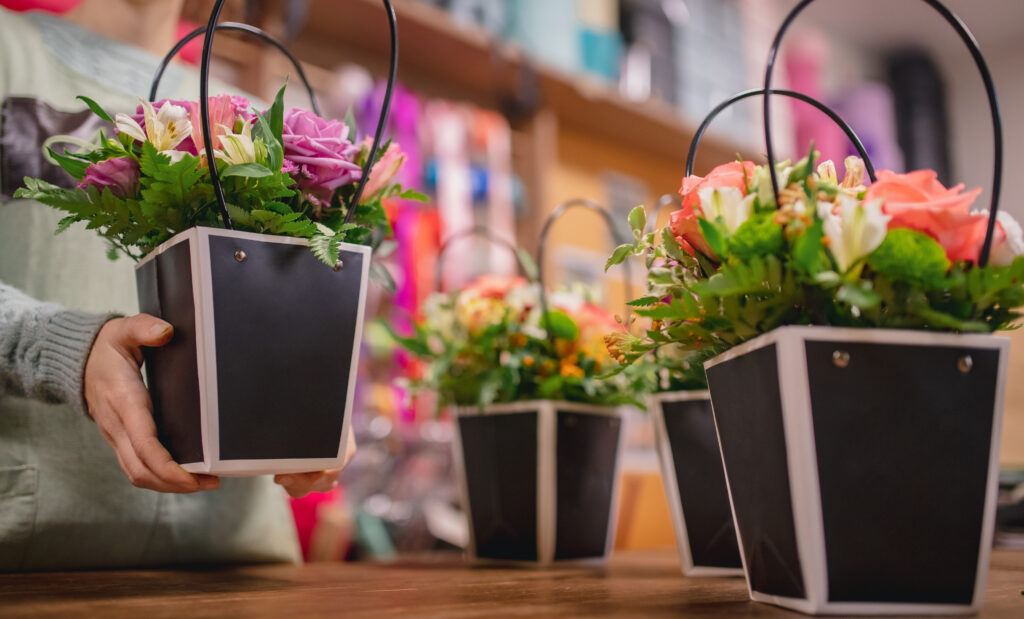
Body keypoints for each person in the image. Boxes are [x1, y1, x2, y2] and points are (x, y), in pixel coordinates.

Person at [0, 0, 350, 570]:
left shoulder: (264, 122)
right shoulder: (8, 58)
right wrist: (68, 348)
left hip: (241, 564)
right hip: (36, 557)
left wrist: (321, 387)